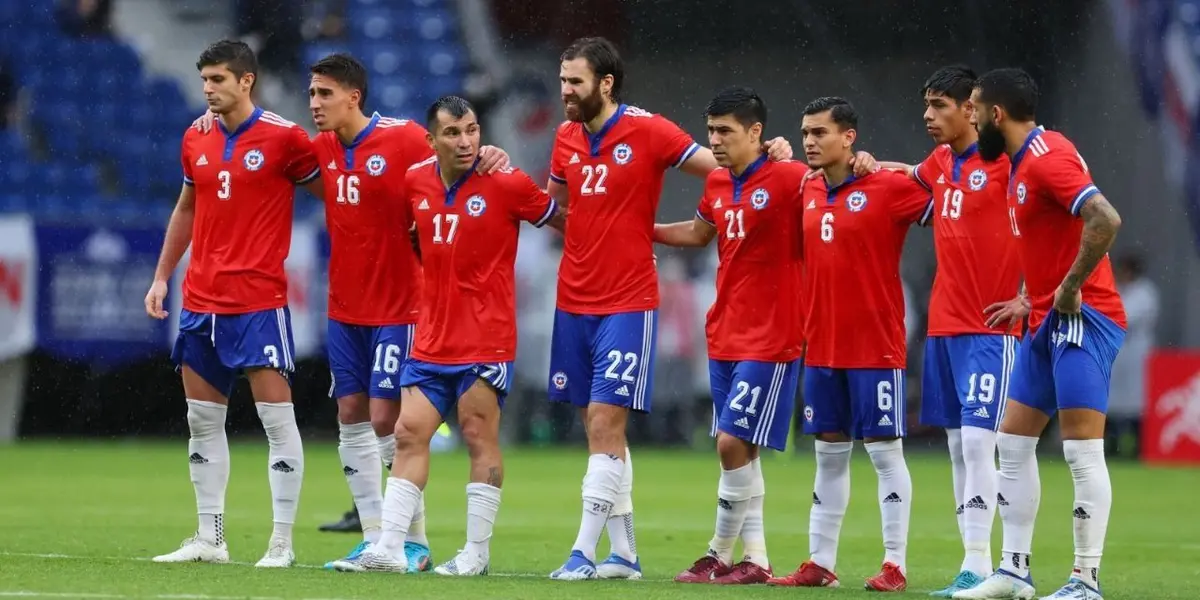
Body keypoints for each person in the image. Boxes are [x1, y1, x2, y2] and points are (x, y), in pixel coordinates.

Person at [543, 36, 799, 581]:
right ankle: (626, 555)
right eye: (562, 80)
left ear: (605, 83)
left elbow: (723, 166)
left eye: (575, 81)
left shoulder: (650, 130)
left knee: (607, 420)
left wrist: (768, 151)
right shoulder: (565, 137)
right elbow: (557, 206)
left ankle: (582, 554)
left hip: (629, 299)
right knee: (597, 425)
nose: (565, 91)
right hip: (574, 297)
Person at [331, 96, 564, 576]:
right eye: (453, 133)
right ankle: (391, 548)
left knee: (479, 437)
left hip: (486, 339)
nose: (466, 141)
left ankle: (476, 554)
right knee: (407, 432)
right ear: (431, 139)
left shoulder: (507, 180)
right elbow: (412, 238)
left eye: (473, 130)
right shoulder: (414, 181)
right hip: (431, 337)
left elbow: (564, 220)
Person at [305, 53, 510, 570]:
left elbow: (454, 153)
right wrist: (217, 119)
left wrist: (488, 153)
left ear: (353, 96)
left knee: (386, 419)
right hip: (344, 307)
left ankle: (410, 540)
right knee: (350, 414)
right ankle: (378, 538)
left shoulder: (400, 138)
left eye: (323, 94)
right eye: (311, 94)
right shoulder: (320, 147)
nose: (314, 104)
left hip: (399, 305)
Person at [143, 39, 321, 569]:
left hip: (258, 302)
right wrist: (161, 278)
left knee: (276, 423)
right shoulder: (195, 138)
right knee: (202, 422)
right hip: (200, 300)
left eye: (218, 80)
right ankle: (209, 537)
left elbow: (337, 191)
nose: (208, 90)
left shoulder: (286, 138)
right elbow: (186, 208)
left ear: (246, 81)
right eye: (205, 81)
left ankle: (282, 543)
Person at [953, 68, 1126, 600]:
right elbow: (1060, 237)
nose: (971, 118)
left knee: (1080, 453)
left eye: (975, 109)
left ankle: (1085, 580)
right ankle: (1014, 571)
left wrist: (1070, 287)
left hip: (1084, 318)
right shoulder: (1022, 161)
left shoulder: (1047, 157)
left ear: (995, 114)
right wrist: (1035, 298)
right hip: (1046, 319)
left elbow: (1106, 218)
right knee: (1012, 442)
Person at [767, 97, 933, 593]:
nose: (810, 142)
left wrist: (896, 165)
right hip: (819, 346)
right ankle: (820, 562)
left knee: (885, 454)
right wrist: (776, 150)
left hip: (875, 346)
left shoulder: (888, 187)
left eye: (820, 133)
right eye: (804, 133)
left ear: (850, 138)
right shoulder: (806, 188)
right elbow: (766, 167)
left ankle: (895, 565)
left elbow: (953, 205)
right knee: (828, 456)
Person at [651, 86, 804, 585]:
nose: (714, 140)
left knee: (729, 441)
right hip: (727, 330)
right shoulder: (717, 181)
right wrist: (642, 228)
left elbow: (840, 189)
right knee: (742, 449)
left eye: (726, 131)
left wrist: (861, 162)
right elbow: (699, 234)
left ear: (756, 132)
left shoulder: (789, 177)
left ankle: (719, 551)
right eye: (710, 130)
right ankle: (754, 558)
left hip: (773, 333)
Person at [886, 64, 1025, 597]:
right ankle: (972, 565)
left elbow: (1062, 219)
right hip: (943, 326)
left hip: (990, 328)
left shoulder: (1010, 162)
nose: (928, 115)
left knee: (977, 443)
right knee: (954, 446)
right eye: (927, 104)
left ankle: (983, 563)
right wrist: (871, 164)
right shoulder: (942, 161)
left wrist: (1031, 297)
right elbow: (915, 178)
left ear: (972, 109)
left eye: (940, 105)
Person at [1108, 253, 1157, 458]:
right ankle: (1113, 443)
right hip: (1117, 353)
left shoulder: (1145, 292)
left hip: (1136, 354)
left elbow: (1125, 318)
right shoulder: (1117, 289)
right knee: (1110, 401)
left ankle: (1139, 447)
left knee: (1138, 402)